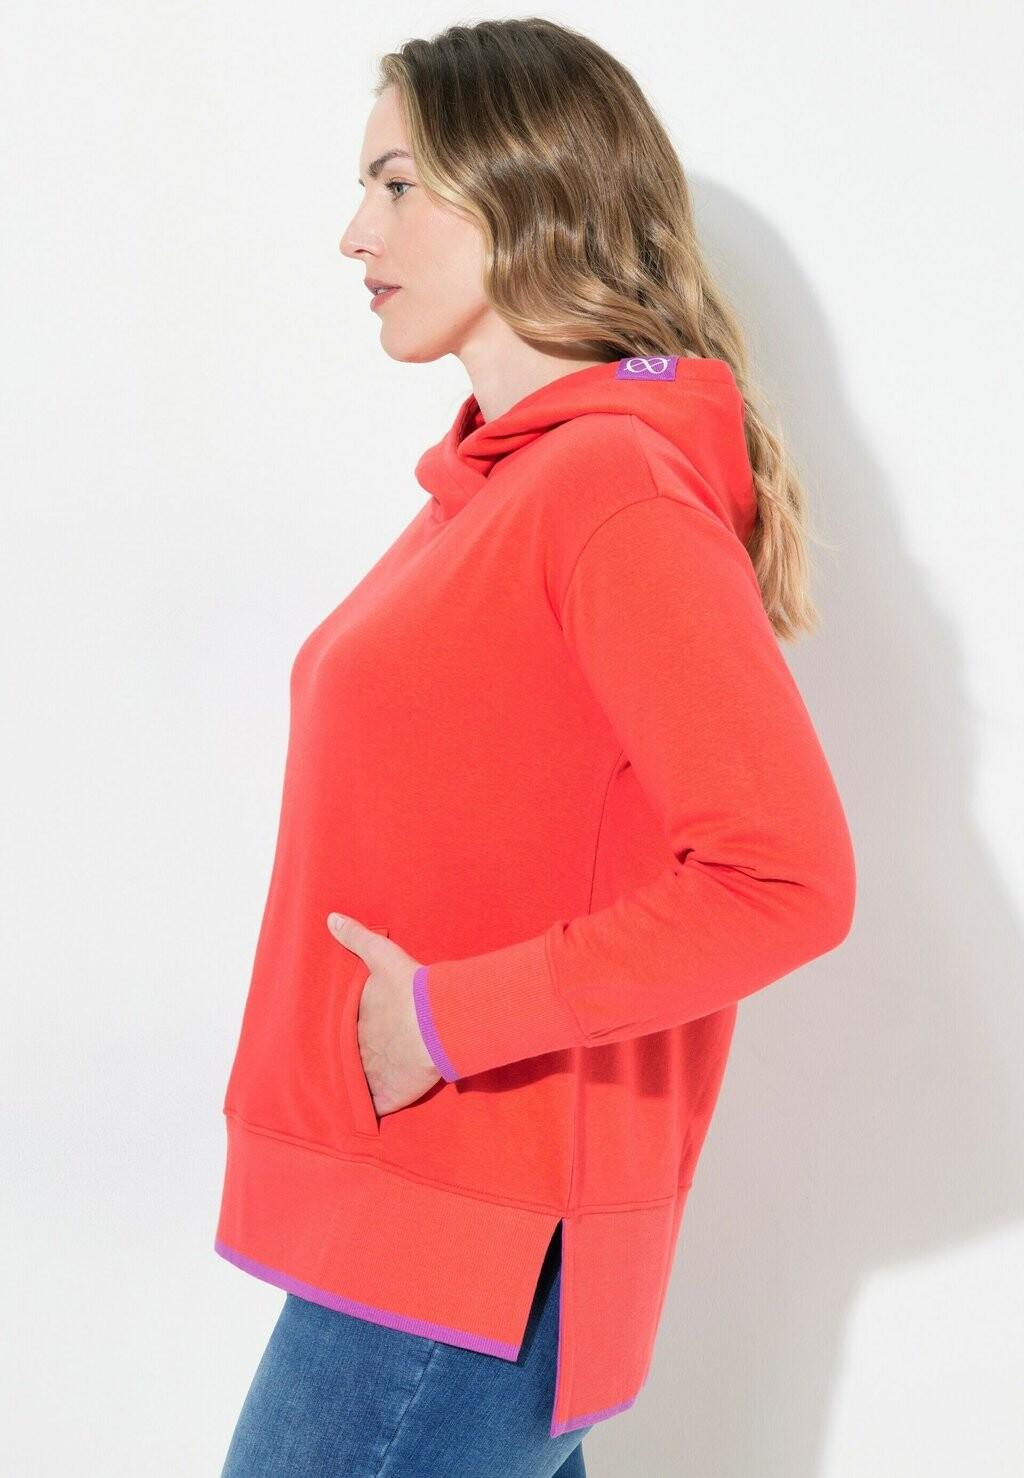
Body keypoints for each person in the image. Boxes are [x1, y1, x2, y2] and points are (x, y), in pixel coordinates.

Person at [215, 18, 857, 1475]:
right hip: (428, 1221)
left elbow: (786, 879)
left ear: (523, 194)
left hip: (472, 1241)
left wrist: (445, 1018)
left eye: (395, 185)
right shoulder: (504, 489)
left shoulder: (609, 491)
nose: (353, 233)